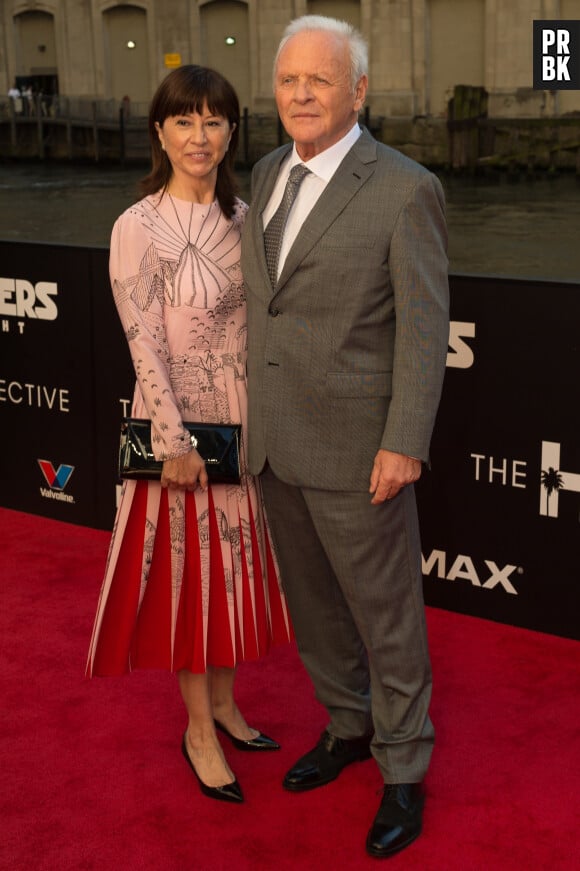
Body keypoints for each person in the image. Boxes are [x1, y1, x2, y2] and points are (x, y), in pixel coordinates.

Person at [241, 15, 449, 858]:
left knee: (386, 614)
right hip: (275, 443)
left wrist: (404, 440)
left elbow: (425, 330)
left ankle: (404, 769)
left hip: (362, 448)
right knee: (316, 609)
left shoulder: (404, 188)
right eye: (289, 79)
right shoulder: (263, 172)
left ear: (357, 90)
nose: (300, 94)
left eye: (319, 80)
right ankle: (347, 725)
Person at [86, 65, 292, 805]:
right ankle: (198, 727)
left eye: (213, 121)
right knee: (193, 583)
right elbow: (143, 341)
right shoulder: (136, 226)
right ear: (159, 132)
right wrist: (174, 441)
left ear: (233, 130)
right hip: (179, 422)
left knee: (235, 575)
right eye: (183, 121)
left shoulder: (248, 217)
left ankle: (231, 706)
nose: (198, 136)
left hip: (246, 418)